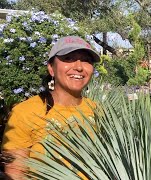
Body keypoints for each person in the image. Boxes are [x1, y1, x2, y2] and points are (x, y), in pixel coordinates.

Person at [1, 35, 100, 179]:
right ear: (51, 68)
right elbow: (15, 174)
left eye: (86, 60)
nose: (79, 67)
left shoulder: (98, 111)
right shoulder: (25, 113)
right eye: (68, 58)